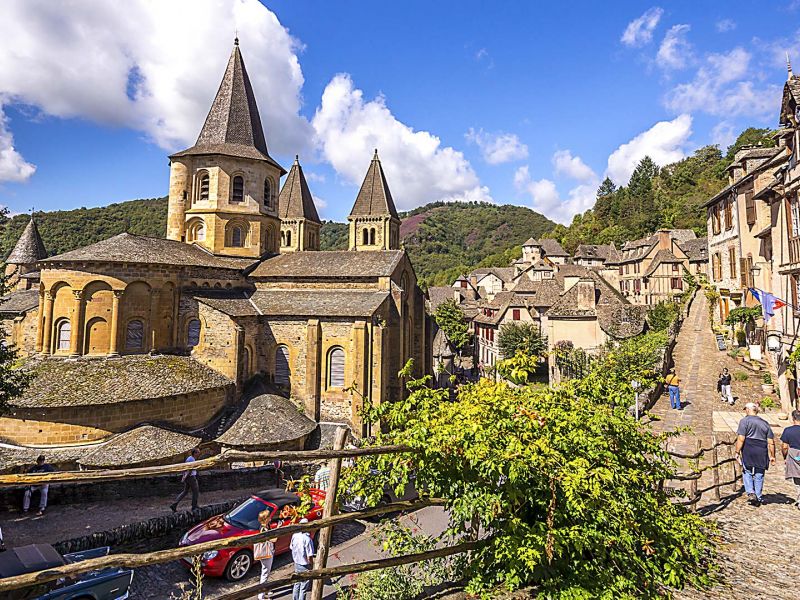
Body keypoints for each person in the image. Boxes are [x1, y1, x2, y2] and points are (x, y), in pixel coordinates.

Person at [735, 403, 776, 506]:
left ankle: (751, 492)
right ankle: (758, 495)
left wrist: (737, 452)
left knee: (747, 470)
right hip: (761, 449)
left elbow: (741, 438)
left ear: (748, 410)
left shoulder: (744, 421)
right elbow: (771, 441)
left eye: (746, 410)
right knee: (759, 473)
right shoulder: (765, 423)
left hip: (749, 448)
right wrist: (772, 455)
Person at [290, 518, 315, 600]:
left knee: (297, 584)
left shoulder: (295, 535)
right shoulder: (307, 539)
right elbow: (309, 555)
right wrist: (311, 564)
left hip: (296, 562)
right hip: (305, 564)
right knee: (303, 587)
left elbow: (291, 547)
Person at [779, 409, 800, 509]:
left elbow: (784, 447)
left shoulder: (788, 430)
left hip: (794, 455)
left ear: (793, 418)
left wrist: (785, 456)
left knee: (797, 478)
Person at [170, 447, 201, 512]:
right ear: (195, 453)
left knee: (185, 491)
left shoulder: (190, 458)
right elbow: (189, 470)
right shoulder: (191, 459)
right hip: (191, 477)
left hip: (188, 477)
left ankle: (174, 504)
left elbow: (185, 469)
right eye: (198, 452)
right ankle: (194, 506)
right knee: (195, 492)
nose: (199, 453)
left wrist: (184, 477)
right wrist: (185, 477)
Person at [254, 510, 275, 600]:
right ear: (265, 519)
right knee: (265, 573)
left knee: (266, 572)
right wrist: (279, 528)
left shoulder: (265, 526)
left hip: (268, 552)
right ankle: (261, 596)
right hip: (266, 554)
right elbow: (273, 540)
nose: (271, 517)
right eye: (269, 516)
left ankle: (265, 590)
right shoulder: (264, 529)